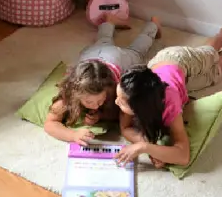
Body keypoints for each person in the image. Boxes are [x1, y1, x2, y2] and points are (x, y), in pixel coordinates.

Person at [114, 26, 222, 167]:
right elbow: (125, 128)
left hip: (177, 60)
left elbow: (183, 156)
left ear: (141, 106)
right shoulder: (130, 95)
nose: (116, 102)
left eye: (122, 102)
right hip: (165, 73)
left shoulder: (170, 105)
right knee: (213, 76)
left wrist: (144, 147)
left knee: (209, 55)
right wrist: (154, 149)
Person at [43, 14, 161, 146]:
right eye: (89, 101)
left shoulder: (115, 88)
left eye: (100, 101)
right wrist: (73, 135)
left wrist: (102, 115)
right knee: (103, 41)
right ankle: (109, 20)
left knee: (137, 51)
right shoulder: (69, 94)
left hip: (116, 57)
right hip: (92, 53)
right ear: (76, 93)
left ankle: (153, 25)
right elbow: (50, 124)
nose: (95, 106)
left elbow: (122, 113)